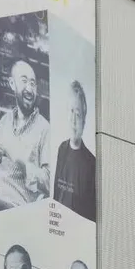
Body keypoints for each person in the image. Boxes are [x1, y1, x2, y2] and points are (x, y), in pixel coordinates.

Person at [0, 59, 52, 213]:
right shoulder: (6, 120)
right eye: (24, 81)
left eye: (33, 83)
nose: (29, 89)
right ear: (12, 84)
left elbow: (49, 183)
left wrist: (21, 161)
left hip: (15, 206)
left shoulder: (45, 129)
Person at [53, 80, 96, 222]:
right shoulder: (61, 149)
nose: (73, 120)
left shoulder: (92, 163)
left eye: (77, 114)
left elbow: (92, 212)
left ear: (84, 122)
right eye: (70, 111)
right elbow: (56, 191)